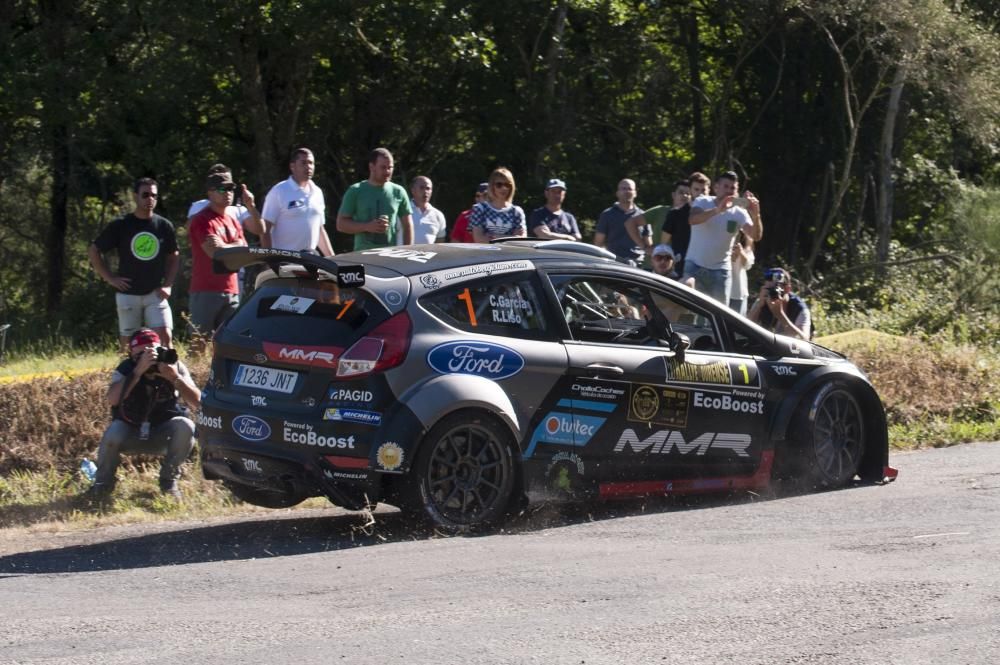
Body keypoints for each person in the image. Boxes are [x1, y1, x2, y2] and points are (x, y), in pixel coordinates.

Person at [82, 328, 201, 501]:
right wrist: (137, 372)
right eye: (142, 354)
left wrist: (175, 378)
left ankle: (168, 481)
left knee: (186, 426)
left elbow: (198, 402)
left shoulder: (173, 365)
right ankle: (103, 485)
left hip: (163, 432)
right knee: (113, 432)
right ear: (131, 355)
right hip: (131, 431)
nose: (150, 360)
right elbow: (113, 400)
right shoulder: (127, 368)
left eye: (153, 353)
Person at [88, 177, 179, 353]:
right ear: (135, 196)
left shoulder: (164, 226)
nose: (150, 199)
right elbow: (94, 250)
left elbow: (174, 256)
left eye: (154, 195)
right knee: (128, 348)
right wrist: (110, 278)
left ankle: (168, 376)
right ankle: (126, 378)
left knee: (165, 340)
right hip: (128, 293)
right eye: (145, 195)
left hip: (155, 293)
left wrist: (168, 285)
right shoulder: (121, 225)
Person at [187, 171, 248, 349]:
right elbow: (213, 253)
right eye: (222, 189)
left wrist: (225, 245)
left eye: (231, 188)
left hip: (232, 289)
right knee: (199, 344)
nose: (228, 193)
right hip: (205, 289)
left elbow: (244, 253)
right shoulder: (202, 220)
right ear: (210, 193)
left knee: (230, 344)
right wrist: (233, 245)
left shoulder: (232, 220)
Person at [685, 171, 763, 304]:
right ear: (716, 188)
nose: (728, 191)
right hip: (694, 266)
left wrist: (756, 215)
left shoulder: (739, 212)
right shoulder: (702, 201)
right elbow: (692, 219)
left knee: (719, 316)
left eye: (732, 188)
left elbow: (755, 236)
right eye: (725, 186)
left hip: (721, 270)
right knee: (688, 311)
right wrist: (717, 210)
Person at [259, 147, 334, 256]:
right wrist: (269, 259)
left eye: (311, 163)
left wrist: (332, 258)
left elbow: (319, 229)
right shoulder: (279, 191)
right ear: (292, 166)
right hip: (284, 260)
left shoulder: (317, 192)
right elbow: (265, 229)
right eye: (303, 163)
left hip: (310, 259)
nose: (308, 167)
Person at [337, 147, 413, 250]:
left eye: (390, 167)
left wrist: (407, 251)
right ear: (372, 167)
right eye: (383, 167)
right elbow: (341, 225)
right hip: (363, 255)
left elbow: (408, 226)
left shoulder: (398, 192)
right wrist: (366, 226)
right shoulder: (356, 190)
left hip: (390, 255)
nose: (387, 171)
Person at [748, 267, 811, 340]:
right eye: (769, 290)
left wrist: (780, 314)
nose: (772, 294)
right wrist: (758, 307)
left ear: (788, 289)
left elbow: (804, 339)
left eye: (775, 290)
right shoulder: (762, 301)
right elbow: (744, 329)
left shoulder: (799, 307)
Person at [594, 178, 647, 265]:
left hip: (639, 264)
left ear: (635, 193)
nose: (626, 191)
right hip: (614, 263)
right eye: (623, 188)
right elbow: (598, 243)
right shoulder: (607, 214)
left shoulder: (643, 215)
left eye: (630, 189)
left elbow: (649, 243)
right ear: (617, 193)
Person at [469, 167, 527, 242]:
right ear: (492, 186)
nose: (504, 188)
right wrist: (510, 237)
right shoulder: (479, 209)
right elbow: (479, 239)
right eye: (499, 185)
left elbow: (521, 240)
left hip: (509, 253)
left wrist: (495, 236)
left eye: (507, 185)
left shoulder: (517, 212)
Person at [659, 179, 693, 276]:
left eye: (688, 193)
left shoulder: (698, 215)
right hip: (678, 264)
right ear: (673, 195)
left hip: (698, 264)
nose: (685, 196)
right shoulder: (672, 214)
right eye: (681, 192)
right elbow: (663, 244)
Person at [406, 175, 447, 244]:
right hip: (403, 254)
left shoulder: (438, 215)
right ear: (413, 190)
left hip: (429, 254)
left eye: (428, 188)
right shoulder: (403, 211)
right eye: (421, 188)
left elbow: (440, 241)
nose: (425, 191)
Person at [729, 230, 755, 315]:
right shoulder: (722, 244)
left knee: (735, 324)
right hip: (720, 289)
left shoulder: (746, 249)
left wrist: (740, 252)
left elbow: (748, 265)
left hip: (737, 291)